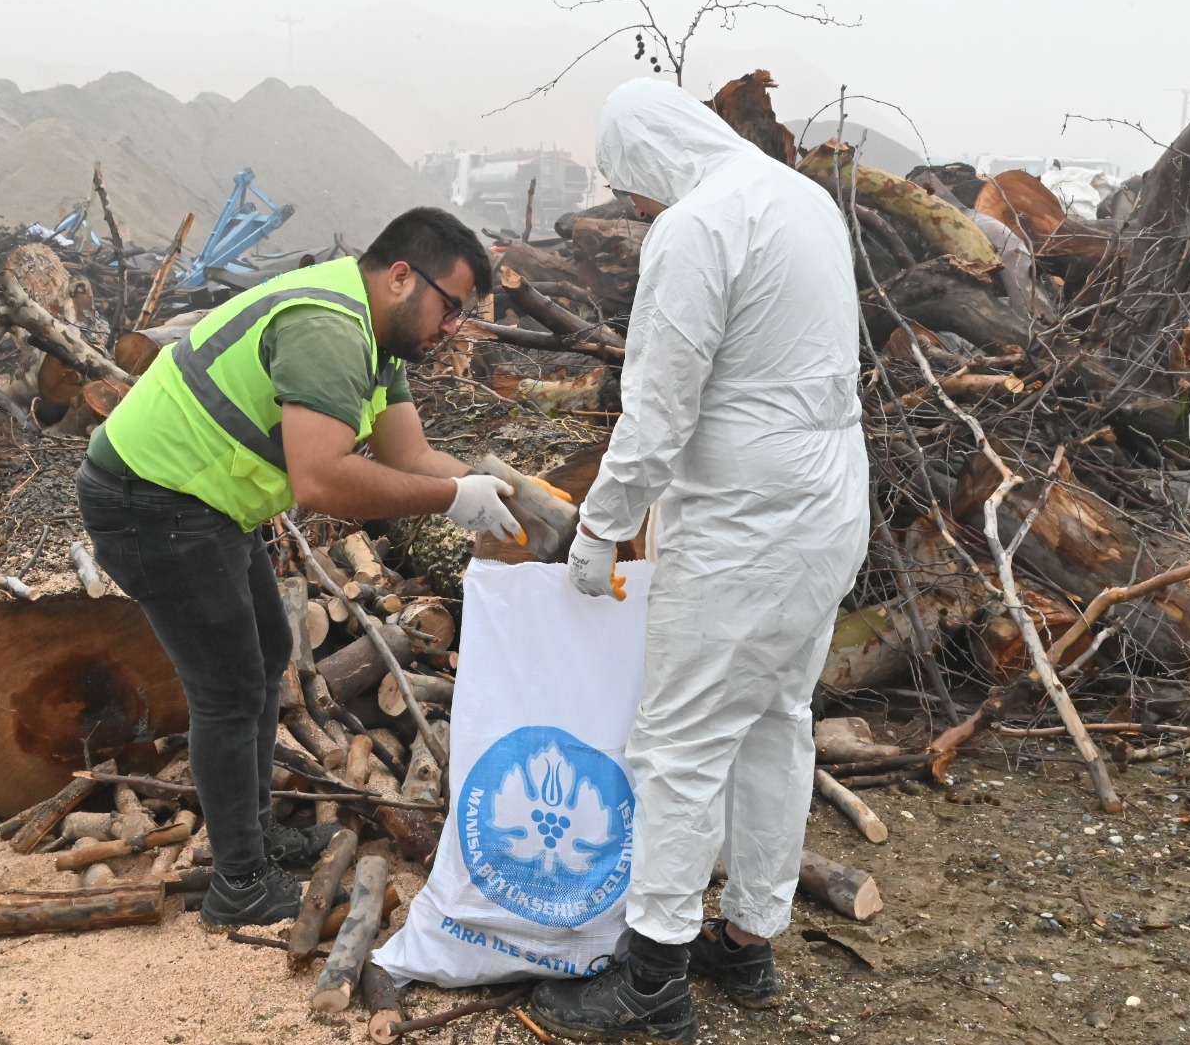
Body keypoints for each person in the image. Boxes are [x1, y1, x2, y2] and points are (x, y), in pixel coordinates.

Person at [76, 208, 525, 931]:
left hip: (204, 503)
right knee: (228, 687)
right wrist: (451, 498)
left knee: (267, 656)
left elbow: (409, 457)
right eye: (451, 306)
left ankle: (252, 840)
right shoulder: (329, 328)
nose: (452, 328)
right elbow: (321, 478)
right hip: (152, 499)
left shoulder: (378, 343)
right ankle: (240, 885)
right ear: (403, 276)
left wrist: (493, 492)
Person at [531, 79, 869, 1041]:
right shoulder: (800, 199)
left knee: (675, 746)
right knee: (776, 721)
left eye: (628, 187)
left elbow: (658, 412)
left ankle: (652, 982)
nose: (635, 208)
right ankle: (749, 941)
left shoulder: (696, 226)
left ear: (646, 159)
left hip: (745, 520)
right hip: (830, 504)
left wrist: (599, 530)